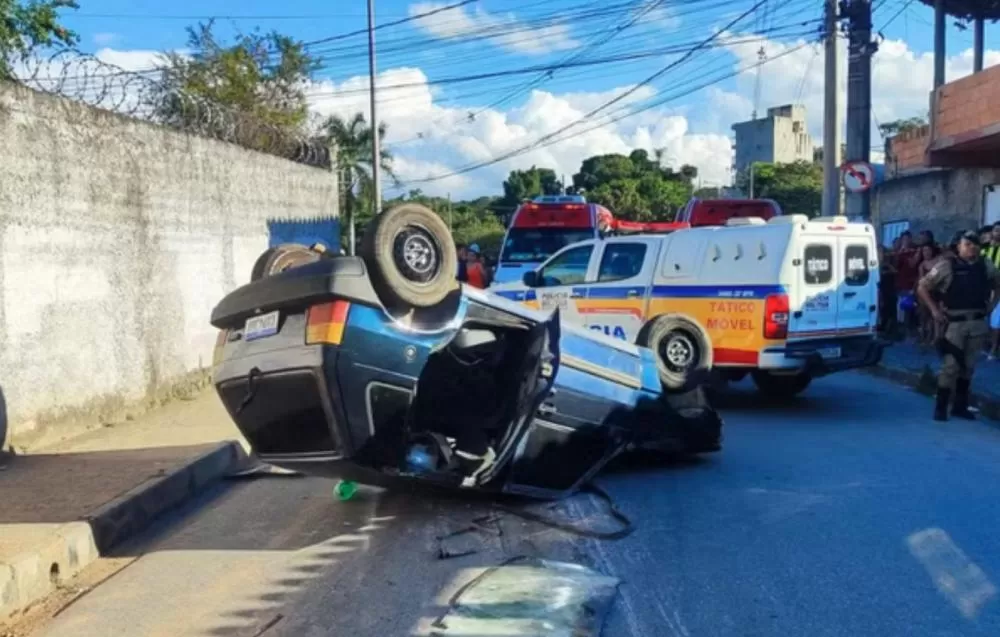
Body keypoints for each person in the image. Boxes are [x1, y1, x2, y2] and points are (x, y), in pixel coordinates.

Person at [917, 230, 1000, 421]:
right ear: (959, 247)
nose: (973, 248)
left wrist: (993, 304)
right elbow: (922, 287)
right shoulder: (947, 266)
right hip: (954, 324)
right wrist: (935, 311)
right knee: (950, 366)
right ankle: (941, 407)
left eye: (975, 244)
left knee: (969, 366)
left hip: (977, 322)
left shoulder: (985, 265)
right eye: (968, 244)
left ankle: (960, 406)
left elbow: (998, 283)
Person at [916, 242, 942, 345]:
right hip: (926, 293)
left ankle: (937, 337)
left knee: (937, 316)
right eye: (924, 251)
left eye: (928, 250)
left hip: (939, 291)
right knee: (926, 316)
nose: (926, 253)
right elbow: (921, 280)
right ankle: (927, 336)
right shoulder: (922, 265)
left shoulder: (939, 260)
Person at [984, 224, 1000, 359]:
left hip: (998, 289)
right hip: (984, 289)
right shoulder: (984, 249)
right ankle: (988, 345)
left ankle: (994, 349)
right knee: (986, 318)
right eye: (996, 230)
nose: (998, 233)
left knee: (995, 320)